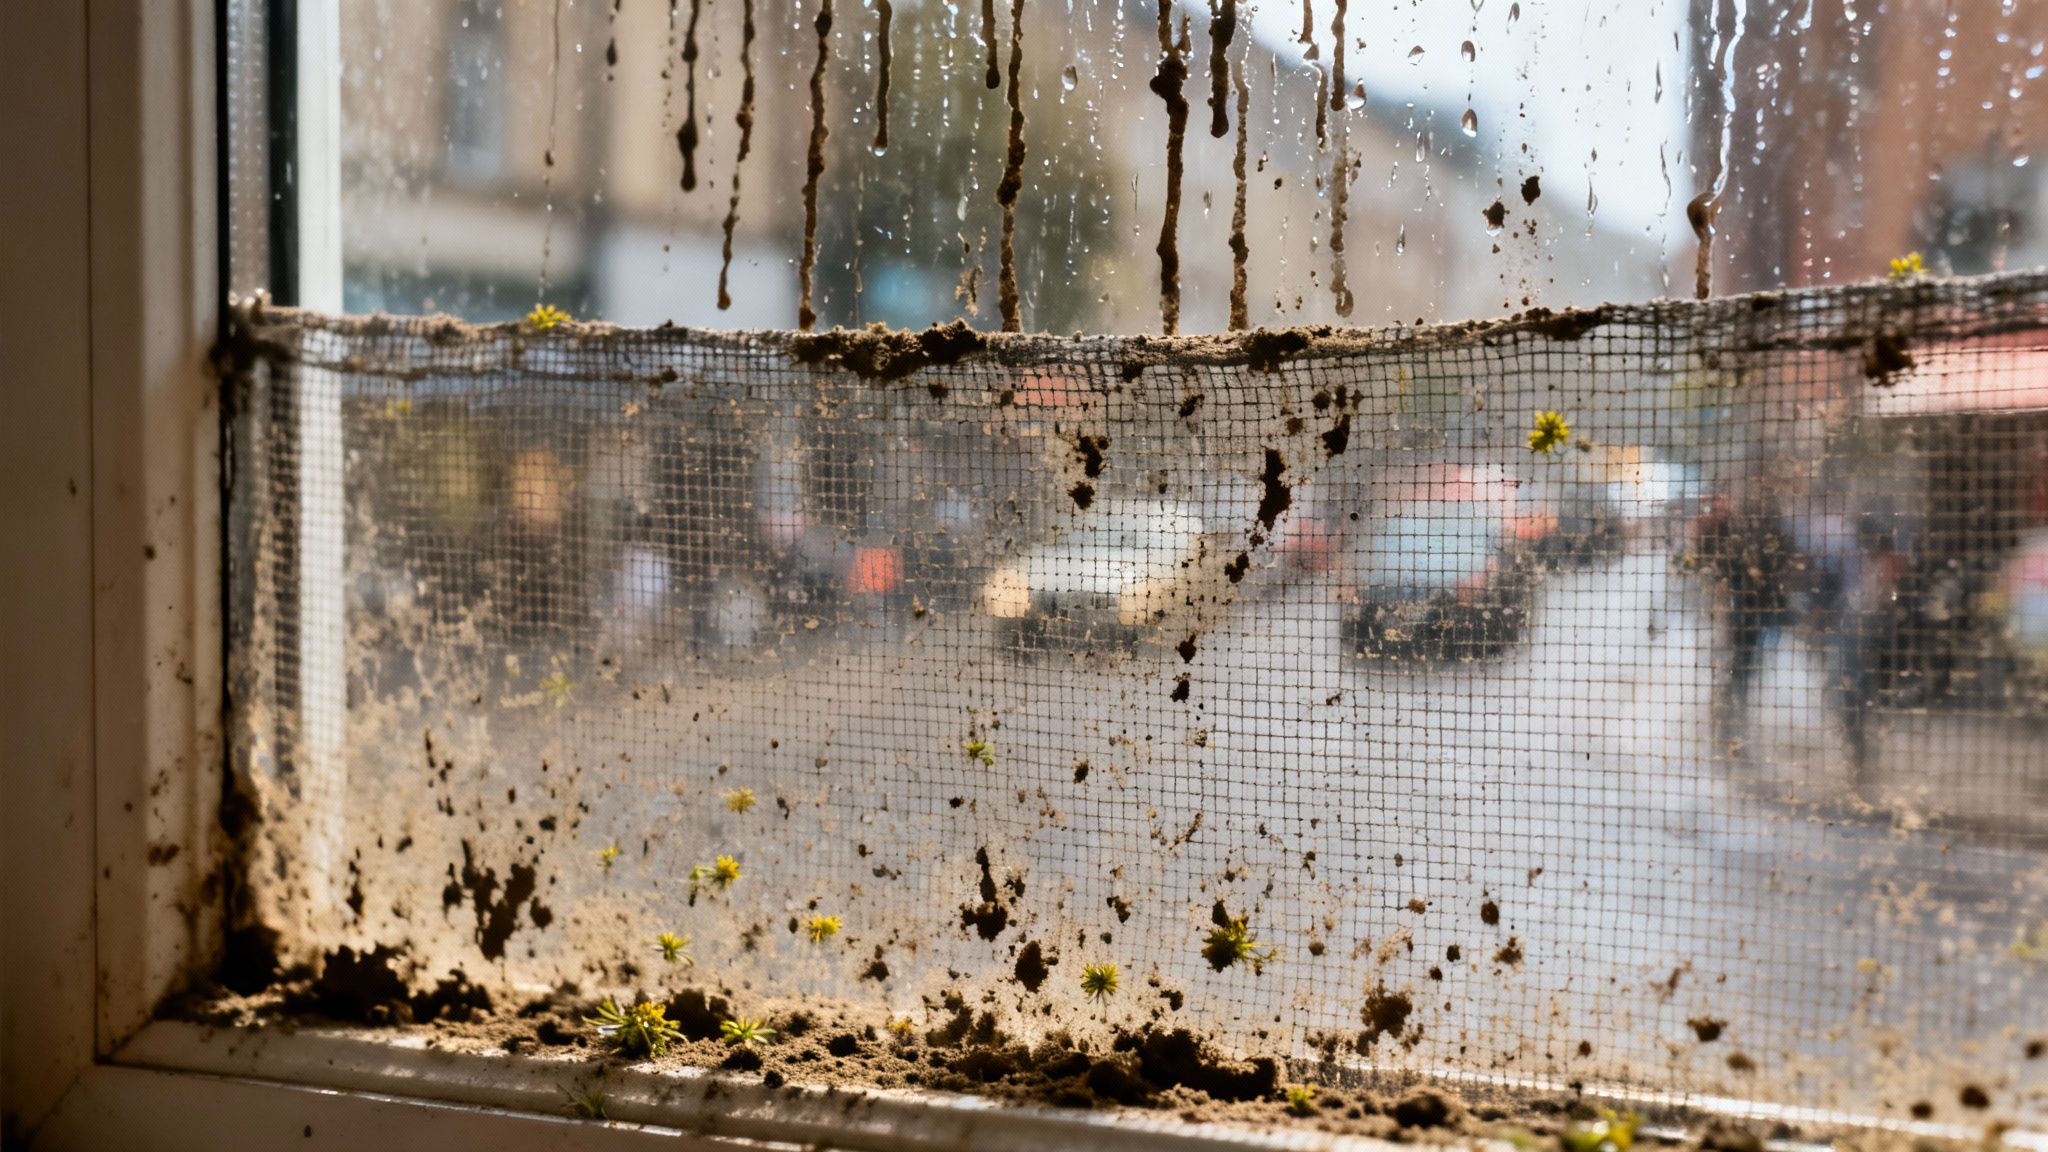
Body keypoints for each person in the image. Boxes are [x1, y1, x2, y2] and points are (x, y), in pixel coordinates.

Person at [1684, 491, 1799, 763]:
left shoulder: (1746, 539)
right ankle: (1727, 730)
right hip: (1732, 615)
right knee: (1732, 673)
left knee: (1738, 674)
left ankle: (1730, 730)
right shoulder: (1723, 535)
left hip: (1744, 617)